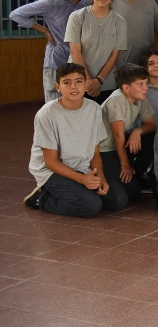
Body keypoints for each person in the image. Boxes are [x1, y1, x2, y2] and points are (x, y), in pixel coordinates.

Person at [24, 63, 127, 217]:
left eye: (79, 81)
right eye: (67, 82)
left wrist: (101, 177)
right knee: (91, 206)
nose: (74, 87)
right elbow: (51, 162)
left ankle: (76, 192)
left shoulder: (94, 109)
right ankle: (41, 198)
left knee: (118, 200)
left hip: (82, 167)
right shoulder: (47, 114)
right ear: (57, 87)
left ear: (86, 84)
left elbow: (95, 153)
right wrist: (82, 179)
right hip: (51, 171)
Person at [11, 0, 91, 102]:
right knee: (54, 105)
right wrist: (45, 31)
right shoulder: (52, 1)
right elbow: (16, 14)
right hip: (57, 61)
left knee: (79, 105)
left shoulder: (89, 2)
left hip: (82, 62)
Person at [98, 63, 156, 202]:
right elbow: (118, 135)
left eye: (146, 83)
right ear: (126, 88)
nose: (145, 88)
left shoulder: (140, 98)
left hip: (120, 145)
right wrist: (125, 165)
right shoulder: (117, 99)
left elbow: (152, 124)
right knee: (125, 195)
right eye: (140, 84)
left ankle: (137, 175)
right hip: (104, 150)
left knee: (153, 137)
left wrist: (138, 130)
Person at [65, 0, 128, 102]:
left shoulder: (120, 22)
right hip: (77, 80)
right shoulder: (77, 17)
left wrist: (99, 80)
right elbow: (75, 51)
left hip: (107, 83)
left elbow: (114, 55)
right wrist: (88, 81)